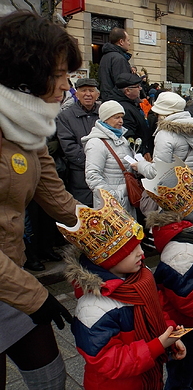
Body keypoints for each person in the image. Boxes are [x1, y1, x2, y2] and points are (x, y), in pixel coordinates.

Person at [0, 10, 82, 389]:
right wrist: (35, 295)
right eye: (60, 74)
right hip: (12, 283)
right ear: (27, 73)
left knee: (51, 376)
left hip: (10, 277)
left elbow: (59, 200)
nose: (68, 86)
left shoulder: (30, 126)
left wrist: (110, 229)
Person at [59, 189, 186, 390]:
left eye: (139, 246)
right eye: (131, 250)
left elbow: (157, 309)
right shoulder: (93, 308)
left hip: (146, 378)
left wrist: (169, 335)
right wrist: (157, 346)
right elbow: (107, 361)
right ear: (111, 258)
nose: (141, 253)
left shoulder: (141, 279)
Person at [143, 159, 193, 390]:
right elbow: (186, 298)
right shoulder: (183, 251)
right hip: (183, 324)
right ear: (192, 214)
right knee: (183, 371)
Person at [83, 100, 138, 217]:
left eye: (122, 117)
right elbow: (92, 175)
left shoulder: (122, 139)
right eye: (116, 117)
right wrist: (112, 197)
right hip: (110, 204)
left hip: (127, 198)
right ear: (105, 119)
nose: (121, 121)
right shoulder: (96, 143)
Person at [136, 92, 193, 178]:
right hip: (190, 185)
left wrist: (140, 165)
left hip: (170, 187)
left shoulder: (165, 134)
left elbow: (157, 172)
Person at [57, 78, 101, 207]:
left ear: (97, 94)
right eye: (83, 91)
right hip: (79, 175)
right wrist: (92, 163)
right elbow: (68, 146)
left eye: (91, 91)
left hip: (104, 174)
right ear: (76, 94)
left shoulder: (103, 114)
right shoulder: (65, 116)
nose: (88, 94)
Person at [105, 73, 152, 159]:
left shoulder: (130, 103)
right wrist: (142, 151)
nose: (140, 89)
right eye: (137, 86)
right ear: (127, 91)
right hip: (134, 154)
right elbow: (127, 134)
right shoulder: (123, 108)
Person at [99, 27, 132, 101]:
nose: (129, 43)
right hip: (117, 100)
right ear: (121, 42)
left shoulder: (105, 56)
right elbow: (122, 83)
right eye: (128, 40)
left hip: (107, 98)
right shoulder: (119, 58)